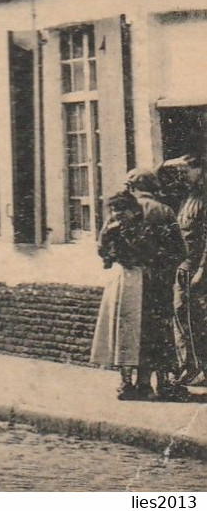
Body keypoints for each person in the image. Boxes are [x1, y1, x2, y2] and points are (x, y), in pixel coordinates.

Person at [92, 167, 188, 400]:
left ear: (132, 187)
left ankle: (126, 383)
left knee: (126, 327)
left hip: (126, 277)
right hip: (156, 279)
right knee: (155, 330)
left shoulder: (121, 211)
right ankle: (149, 383)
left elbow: (102, 246)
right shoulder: (163, 211)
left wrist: (116, 257)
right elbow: (179, 249)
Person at [171, 154, 207, 384]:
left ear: (201, 172)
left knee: (200, 320)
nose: (184, 175)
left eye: (189, 170)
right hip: (184, 269)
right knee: (182, 316)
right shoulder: (187, 199)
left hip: (198, 270)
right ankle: (189, 366)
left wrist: (203, 269)